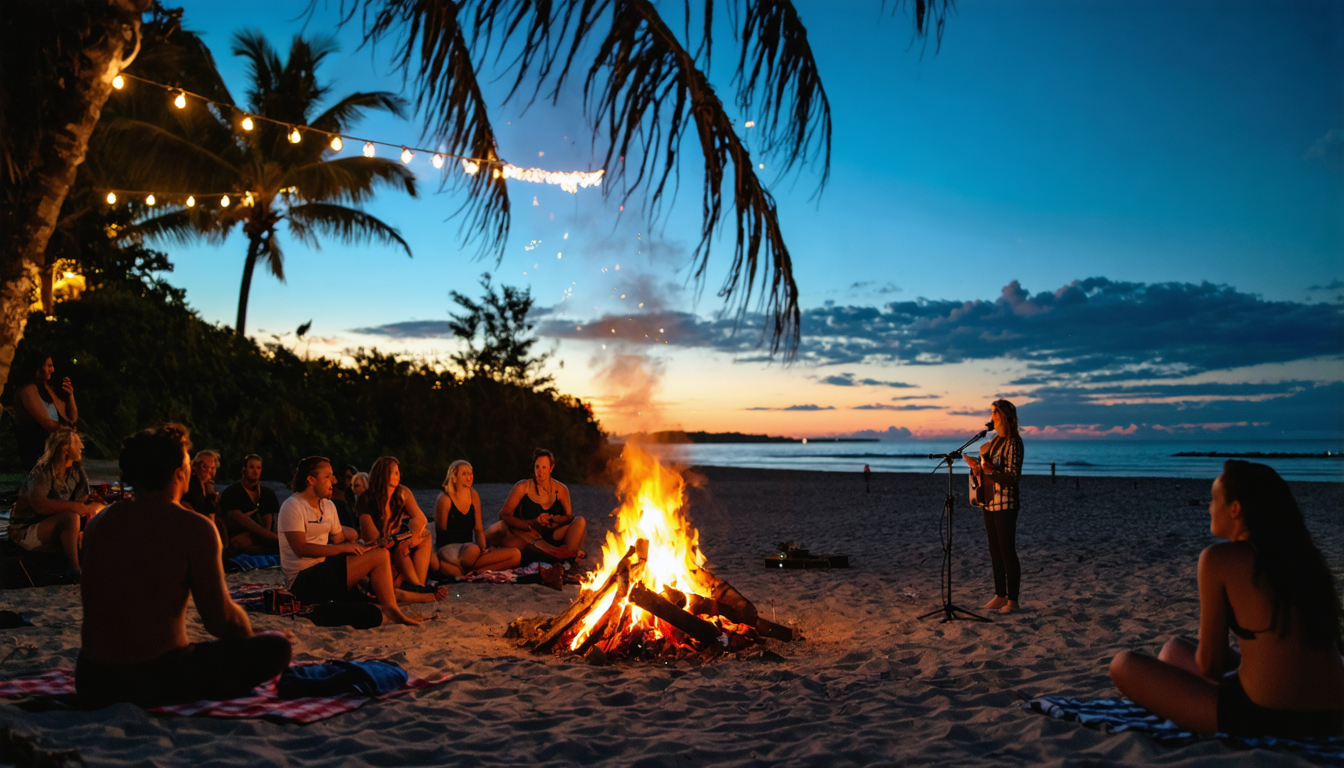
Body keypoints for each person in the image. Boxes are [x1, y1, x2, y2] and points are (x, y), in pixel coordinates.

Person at [1110, 461, 1343, 738]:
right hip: (1333, 714)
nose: (1209, 508)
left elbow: (1211, 664)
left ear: (1235, 509)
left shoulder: (1219, 559)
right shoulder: (1304, 556)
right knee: (1173, 649)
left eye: (1214, 500)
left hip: (1266, 717)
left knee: (1122, 664)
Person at [76, 424, 291, 709]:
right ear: (180, 473)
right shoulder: (193, 528)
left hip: (93, 679)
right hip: (157, 676)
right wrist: (250, 636)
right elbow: (220, 620)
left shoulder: (99, 524)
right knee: (277, 647)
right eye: (189, 463)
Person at [279, 456, 434, 625]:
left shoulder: (328, 506)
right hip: (301, 580)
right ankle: (394, 607)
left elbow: (339, 540)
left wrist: (361, 546)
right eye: (327, 476)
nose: (334, 480)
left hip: (325, 570)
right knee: (377, 559)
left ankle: (393, 605)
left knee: (378, 557)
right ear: (311, 480)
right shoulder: (292, 506)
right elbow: (301, 548)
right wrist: (344, 548)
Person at [6, 429, 104, 581]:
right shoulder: (42, 471)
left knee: (93, 531)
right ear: (65, 447)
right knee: (71, 518)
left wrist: (95, 504)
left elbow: (82, 501)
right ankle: (74, 569)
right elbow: (40, 505)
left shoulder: (76, 471)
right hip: (26, 528)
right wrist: (76, 507)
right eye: (77, 442)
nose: (82, 446)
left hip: (53, 525)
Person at [963, 399, 1023, 614]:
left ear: (1003, 415)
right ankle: (1000, 595)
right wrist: (978, 467)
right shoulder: (994, 441)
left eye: (994, 413)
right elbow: (989, 469)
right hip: (988, 500)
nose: (991, 417)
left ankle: (1013, 601)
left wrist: (990, 471)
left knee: (1007, 551)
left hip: (1006, 503)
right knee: (994, 551)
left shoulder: (1013, 442)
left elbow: (1012, 477)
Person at [356, 456, 442, 595]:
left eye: (398, 472)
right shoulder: (366, 499)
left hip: (397, 543)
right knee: (396, 563)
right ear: (383, 474)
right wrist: (395, 541)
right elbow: (371, 538)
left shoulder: (402, 493)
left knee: (424, 535)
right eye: (394, 472)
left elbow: (420, 517)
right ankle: (415, 585)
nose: (398, 475)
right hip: (378, 549)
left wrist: (409, 538)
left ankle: (418, 584)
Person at [487, 448, 587, 562]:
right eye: (537, 467)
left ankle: (568, 556)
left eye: (544, 467)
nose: (540, 471)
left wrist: (553, 519)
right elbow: (504, 515)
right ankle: (560, 557)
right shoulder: (523, 487)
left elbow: (568, 516)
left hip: (553, 533)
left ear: (551, 468)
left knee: (580, 521)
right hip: (528, 535)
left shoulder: (561, 489)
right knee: (507, 536)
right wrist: (533, 522)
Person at [435, 460, 521, 577]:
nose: (470, 477)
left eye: (471, 473)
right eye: (464, 474)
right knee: (472, 550)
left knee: (516, 555)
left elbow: (479, 529)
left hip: (471, 551)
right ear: (454, 476)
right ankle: (470, 568)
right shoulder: (445, 499)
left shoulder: (473, 495)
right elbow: (442, 534)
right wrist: (470, 548)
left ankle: (475, 572)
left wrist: (483, 548)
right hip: (450, 549)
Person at [13, 351, 78, 470]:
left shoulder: (49, 388)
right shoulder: (28, 390)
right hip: (37, 450)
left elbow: (71, 418)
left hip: (54, 448)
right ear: (38, 367)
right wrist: (68, 431)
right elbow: (47, 424)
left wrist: (70, 396)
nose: (52, 370)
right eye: (49, 366)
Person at [219, 454, 280, 554]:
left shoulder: (267, 493)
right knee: (237, 543)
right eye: (251, 467)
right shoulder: (231, 493)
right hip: (239, 535)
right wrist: (275, 537)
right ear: (243, 470)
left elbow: (267, 524)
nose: (255, 471)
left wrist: (270, 536)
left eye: (258, 468)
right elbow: (237, 518)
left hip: (261, 537)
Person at [181, 449, 226, 544]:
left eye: (212, 467)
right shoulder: (190, 486)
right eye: (205, 467)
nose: (208, 470)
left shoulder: (208, 487)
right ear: (195, 466)